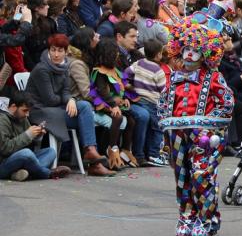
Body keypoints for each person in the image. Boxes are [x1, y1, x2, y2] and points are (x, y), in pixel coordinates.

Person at [158, 15, 234, 236]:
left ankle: (208, 219)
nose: (190, 53)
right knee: (182, 176)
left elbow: (227, 104)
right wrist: (164, 119)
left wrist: (208, 123)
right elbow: (163, 102)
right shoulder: (173, 77)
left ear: (206, 53)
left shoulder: (214, 78)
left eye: (196, 49)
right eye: (187, 48)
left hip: (205, 135)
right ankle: (187, 216)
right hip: (177, 134)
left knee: (202, 175)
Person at [27, 34, 113, 176]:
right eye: (53, 50)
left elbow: (66, 91)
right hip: (41, 111)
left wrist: (72, 100)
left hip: (56, 110)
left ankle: (91, 153)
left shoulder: (65, 66)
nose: (56, 54)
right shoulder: (41, 69)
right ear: (48, 50)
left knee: (84, 106)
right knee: (83, 110)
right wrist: (69, 100)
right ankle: (93, 159)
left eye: (60, 51)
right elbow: (50, 99)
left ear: (66, 52)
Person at [0, 90, 72, 181]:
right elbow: (5, 149)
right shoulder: (2, 119)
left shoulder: (22, 117)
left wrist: (37, 135)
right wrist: (28, 135)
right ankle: (48, 173)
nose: (27, 114)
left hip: (20, 160)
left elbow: (28, 142)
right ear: (14, 107)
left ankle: (20, 173)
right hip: (3, 164)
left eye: (28, 111)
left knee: (51, 152)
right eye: (25, 110)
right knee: (26, 153)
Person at [90, 38, 134, 170]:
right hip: (103, 103)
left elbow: (122, 86)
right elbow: (102, 91)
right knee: (118, 118)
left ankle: (125, 150)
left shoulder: (115, 70)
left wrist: (126, 98)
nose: (117, 54)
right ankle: (111, 148)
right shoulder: (99, 71)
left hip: (115, 103)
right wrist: (113, 105)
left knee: (131, 120)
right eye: (115, 52)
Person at [123, 39, 169, 167]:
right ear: (158, 54)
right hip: (152, 102)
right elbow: (163, 89)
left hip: (139, 100)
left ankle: (146, 153)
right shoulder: (158, 71)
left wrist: (128, 86)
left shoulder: (139, 63)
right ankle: (154, 154)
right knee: (157, 128)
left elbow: (126, 73)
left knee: (150, 126)